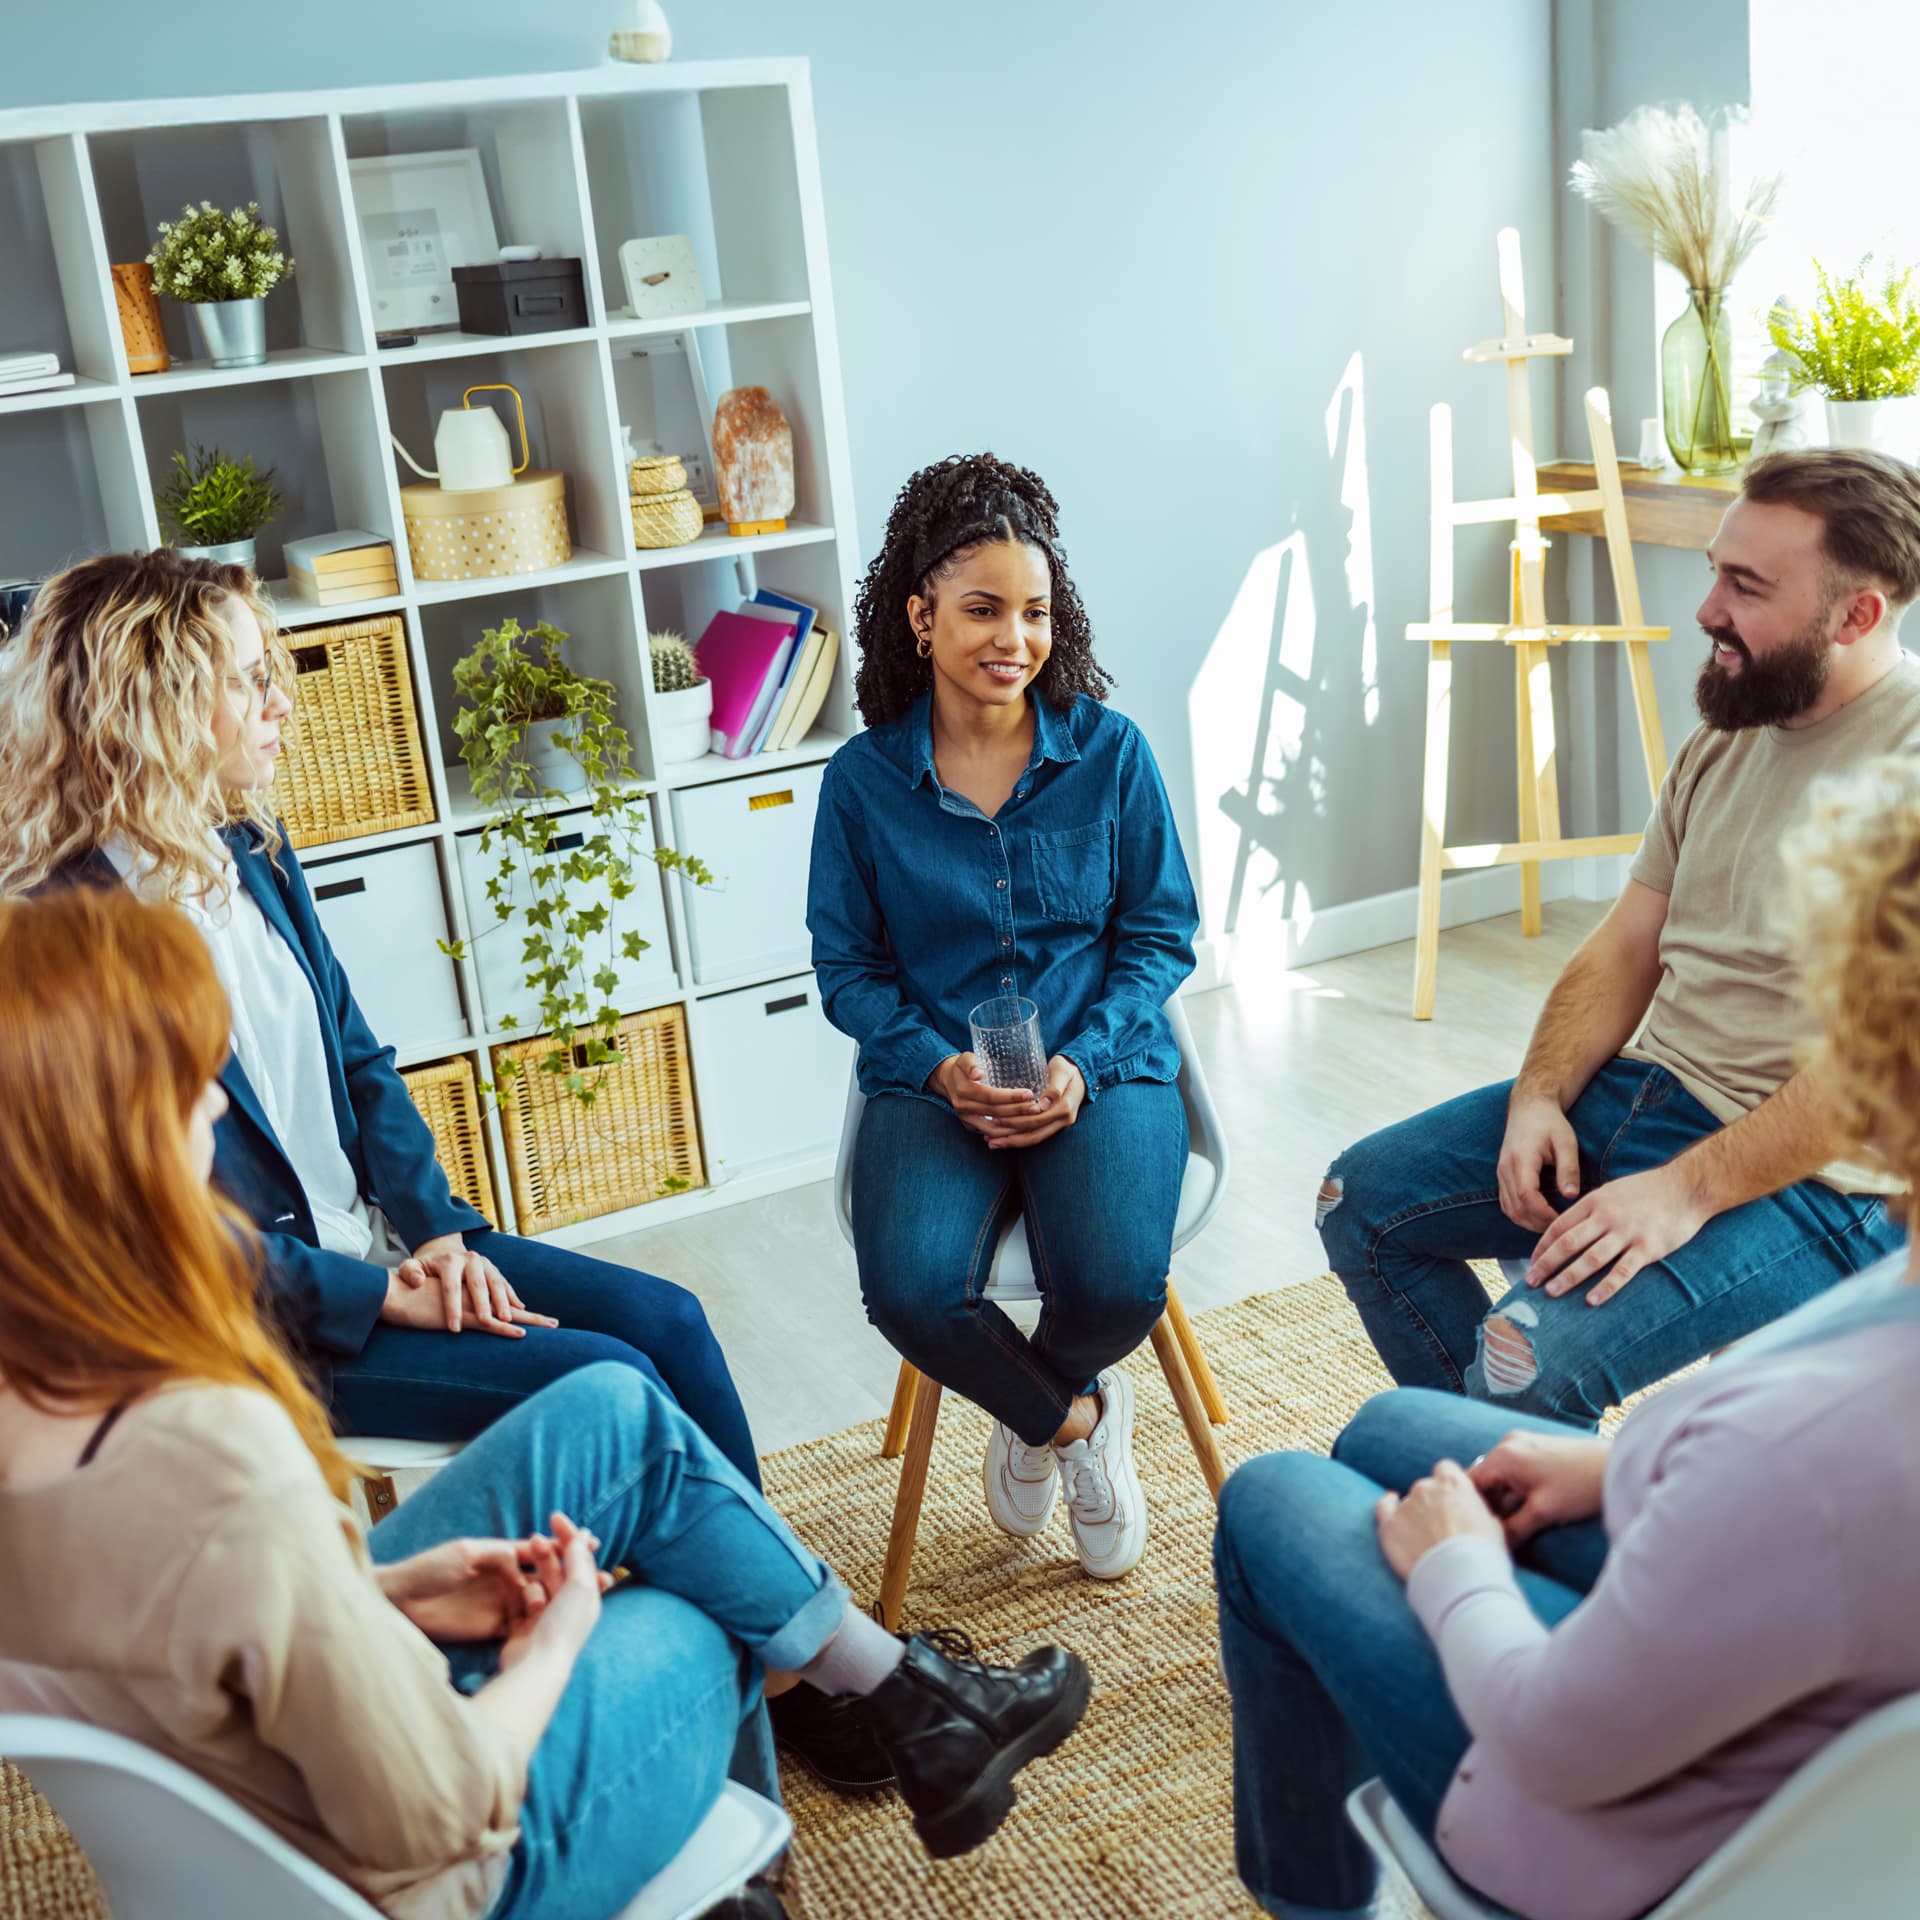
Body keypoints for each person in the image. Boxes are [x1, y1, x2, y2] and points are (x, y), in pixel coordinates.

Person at [0, 886, 1093, 1920]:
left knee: (614, 1410)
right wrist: (559, 1641)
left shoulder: (51, 1403)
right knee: (698, 1604)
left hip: (259, 1783)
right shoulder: (218, 1447)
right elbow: (438, 1814)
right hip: (421, 1877)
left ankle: (916, 1700)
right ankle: (756, 1873)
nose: (212, 1105)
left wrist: (387, 1587)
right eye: (193, 1080)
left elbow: (190, 1633)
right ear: (112, 1146)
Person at [1215, 750, 1920, 1920]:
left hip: (1639, 1837)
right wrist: (1614, 1464)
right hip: (1800, 1706)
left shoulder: (1808, 1435)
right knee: (1398, 1427)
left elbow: (1552, 1737)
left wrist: (1457, 1567)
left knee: (1275, 1495)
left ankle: (1316, 1903)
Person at [0, 550, 759, 1485]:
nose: (282, 702)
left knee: (669, 1319)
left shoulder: (251, 848)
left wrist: (435, 1232)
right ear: (155, 705)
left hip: (380, 1241)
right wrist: (381, 1295)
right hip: (266, 1322)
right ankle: (755, 1620)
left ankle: (765, 1615)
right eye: (248, 680)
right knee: (616, 1376)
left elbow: (360, 1060)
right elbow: (151, 1225)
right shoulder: (55, 937)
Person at [1318, 448, 1920, 1427]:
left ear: (1856, 616)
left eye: (1746, 586)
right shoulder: (1737, 720)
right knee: (1362, 1204)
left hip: (1824, 1176)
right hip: (1657, 1087)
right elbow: (1626, 944)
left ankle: (1511, 1521)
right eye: (1715, 570)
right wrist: (1539, 1097)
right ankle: (1501, 1504)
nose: (1707, 609)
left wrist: (1681, 1194)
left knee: (1526, 1367)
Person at [807, 453, 1200, 1582]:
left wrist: (1080, 1062)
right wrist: (935, 1071)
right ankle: (1069, 1422)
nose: (1012, 638)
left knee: (1121, 1283)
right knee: (914, 1291)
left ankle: (1034, 1397)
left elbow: (1159, 936)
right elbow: (848, 969)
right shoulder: (863, 785)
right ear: (922, 614)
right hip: (936, 1081)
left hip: (1101, 1068)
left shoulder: (1110, 755)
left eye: (1033, 611)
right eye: (981, 609)